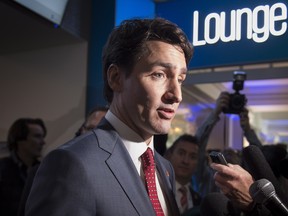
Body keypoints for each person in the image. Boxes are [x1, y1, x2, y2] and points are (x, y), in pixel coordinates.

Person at [25, 17, 194, 216]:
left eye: (180, 79)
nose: (177, 95)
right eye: (159, 74)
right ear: (115, 78)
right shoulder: (72, 163)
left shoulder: (165, 167)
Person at [0, 118, 46, 216]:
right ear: (20, 139)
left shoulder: (43, 171)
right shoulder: (2, 169)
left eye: (43, 136)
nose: (43, 142)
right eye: (37, 136)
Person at [165, 134, 202, 215]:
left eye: (192, 157)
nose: (186, 161)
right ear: (170, 155)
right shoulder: (157, 190)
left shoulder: (199, 201)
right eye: (181, 153)